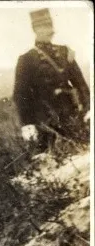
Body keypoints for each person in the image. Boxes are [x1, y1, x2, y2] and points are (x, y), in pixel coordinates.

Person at [13, 8, 90, 153]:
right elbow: (20, 94)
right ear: (35, 30)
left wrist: (88, 108)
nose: (49, 30)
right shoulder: (26, 59)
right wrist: (27, 124)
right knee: (48, 157)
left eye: (50, 25)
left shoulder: (65, 52)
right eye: (44, 26)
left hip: (72, 114)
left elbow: (81, 84)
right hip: (44, 119)